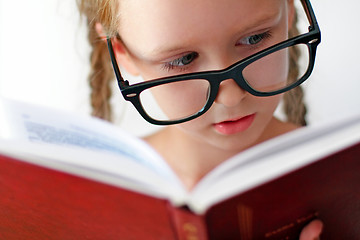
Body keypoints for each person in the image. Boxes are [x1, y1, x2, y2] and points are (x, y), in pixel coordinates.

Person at [77, 0, 323, 238]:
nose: (230, 97)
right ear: (122, 52)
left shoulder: (347, 179)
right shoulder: (90, 200)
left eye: (254, 38)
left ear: (289, 9)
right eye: (183, 59)